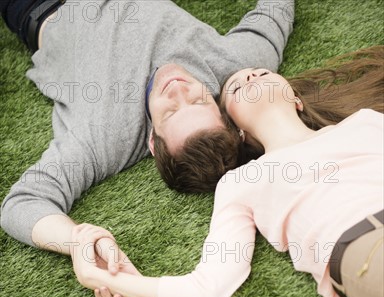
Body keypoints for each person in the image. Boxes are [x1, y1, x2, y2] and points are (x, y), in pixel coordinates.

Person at [69, 46, 384, 297]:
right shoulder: (241, 182)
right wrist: (100, 276)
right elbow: (207, 290)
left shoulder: (366, 120)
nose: (250, 77)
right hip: (367, 248)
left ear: (296, 100)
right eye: (235, 87)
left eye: (259, 72)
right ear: (238, 132)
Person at [0, 0, 294, 276]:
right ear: (220, 109)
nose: (178, 89)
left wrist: (77, 240)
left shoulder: (103, 137)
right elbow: (274, 13)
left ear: (154, 141)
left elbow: (23, 203)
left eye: (170, 112)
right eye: (199, 101)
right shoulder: (236, 68)